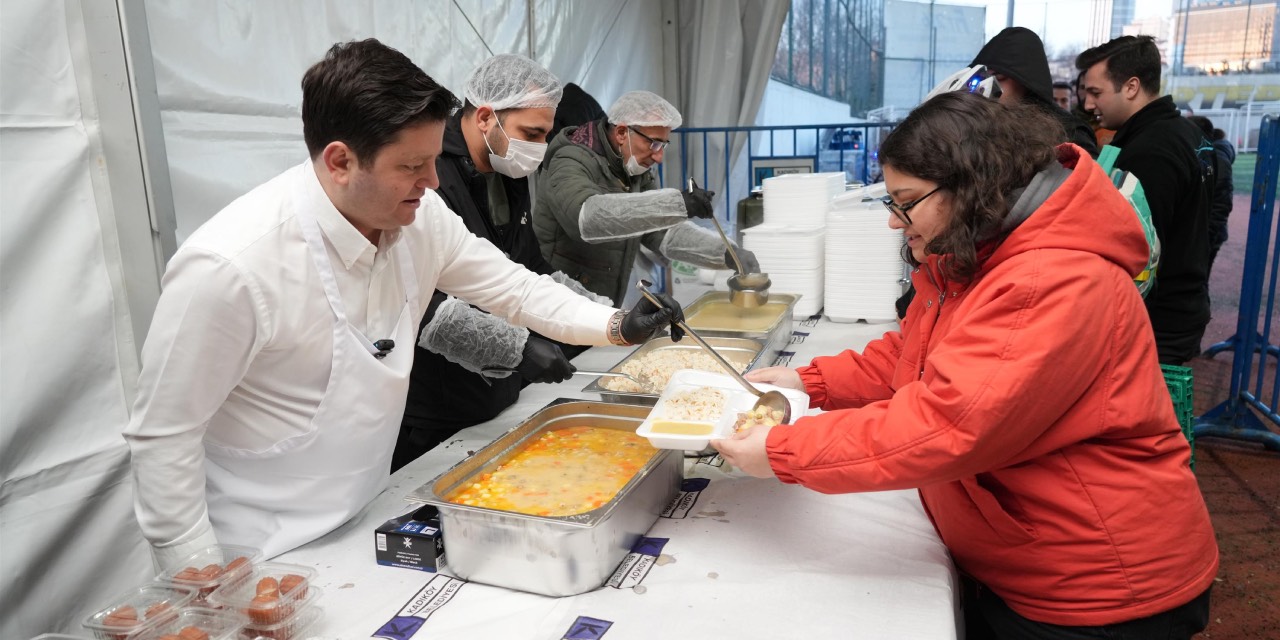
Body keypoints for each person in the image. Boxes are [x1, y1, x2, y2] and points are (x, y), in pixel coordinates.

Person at [123, 39, 683, 569]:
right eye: (411, 166)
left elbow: (514, 287)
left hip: (369, 510)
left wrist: (615, 324)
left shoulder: (420, 219)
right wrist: (198, 575)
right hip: (262, 549)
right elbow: (163, 437)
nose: (433, 181)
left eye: (432, 160)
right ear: (341, 161)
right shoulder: (231, 267)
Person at [714, 91, 1216, 639]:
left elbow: (946, 425)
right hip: (1030, 560)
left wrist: (784, 449)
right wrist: (807, 380)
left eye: (904, 202)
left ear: (971, 186)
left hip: (1096, 583)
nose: (893, 222)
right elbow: (916, 358)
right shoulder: (983, 251)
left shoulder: (1048, 278)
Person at [394, 55, 614, 472]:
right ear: (485, 118)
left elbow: (529, 269)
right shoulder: (431, 179)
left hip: (504, 391)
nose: (539, 149)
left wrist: (607, 316)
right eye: (531, 133)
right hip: (439, 406)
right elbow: (418, 301)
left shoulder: (507, 169)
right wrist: (513, 346)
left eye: (545, 135)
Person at [534, 90, 759, 306]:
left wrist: (726, 253)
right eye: (654, 143)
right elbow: (586, 218)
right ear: (622, 133)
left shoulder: (633, 169)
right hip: (558, 299)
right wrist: (677, 203)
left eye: (663, 145)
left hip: (600, 301)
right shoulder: (570, 159)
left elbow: (660, 232)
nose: (659, 157)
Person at [1077, 35, 1212, 365]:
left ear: (1131, 87)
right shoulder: (1187, 133)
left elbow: (1137, 255)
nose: (1088, 105)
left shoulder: (1150, 150)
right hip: (1181, 308)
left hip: (1156, 322)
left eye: (1096, 93)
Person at [971, 27, 1099, 157]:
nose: (987, 87)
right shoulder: (980, 125)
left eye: (999, 77)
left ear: (1025, 81)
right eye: (983, 77)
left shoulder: (1070, 132)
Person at [1188, 115, 1235, 274]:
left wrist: (1203, 243)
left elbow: (1221, 206)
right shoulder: (1207, 155)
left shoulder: (1217, 160)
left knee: (1198, 281)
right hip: (1201, 236)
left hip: (1205, 238)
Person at [1075, 70, 1115, 146]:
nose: (1087, 94)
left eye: (1093, 90)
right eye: (1083, 87)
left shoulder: (1113, 123)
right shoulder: (1069, 123)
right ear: (1077, 90)